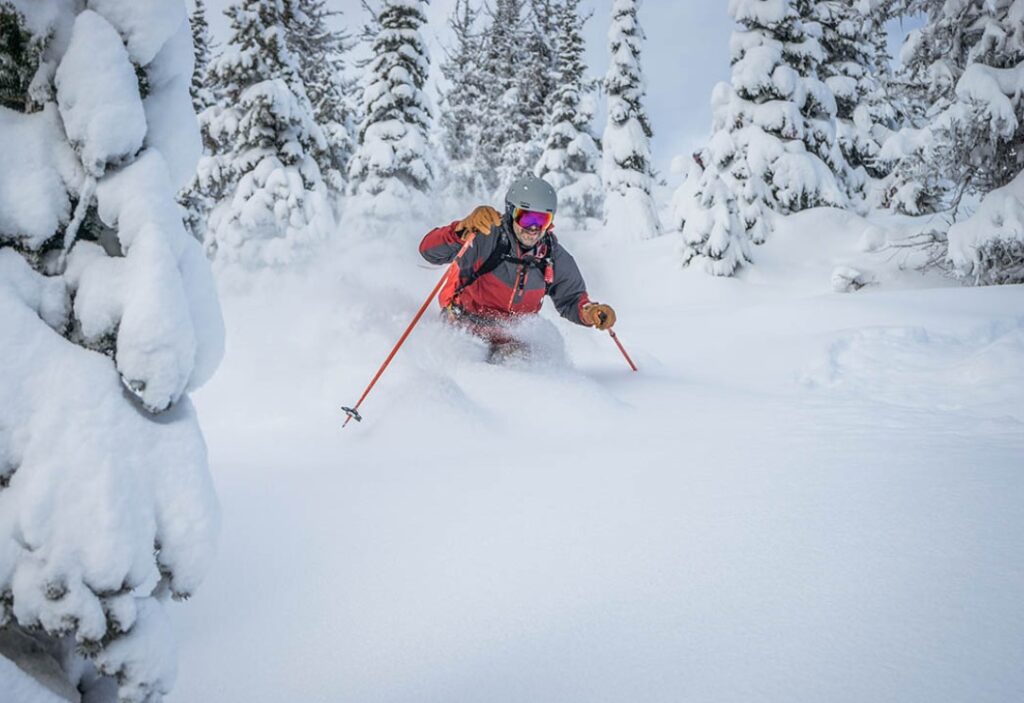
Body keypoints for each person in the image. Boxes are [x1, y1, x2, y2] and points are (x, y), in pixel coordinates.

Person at [419, 176, 616, 358]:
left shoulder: (551, 255)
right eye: (527, 218)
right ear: (511, 212)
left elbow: (572, 298)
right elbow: (429, 251)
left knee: (523, 363)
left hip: (509, 339)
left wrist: (590, 312)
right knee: (468, 360)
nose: (533, 228)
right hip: (464, 328)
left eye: (542, 220)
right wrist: (462, 230)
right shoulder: (487, 236)